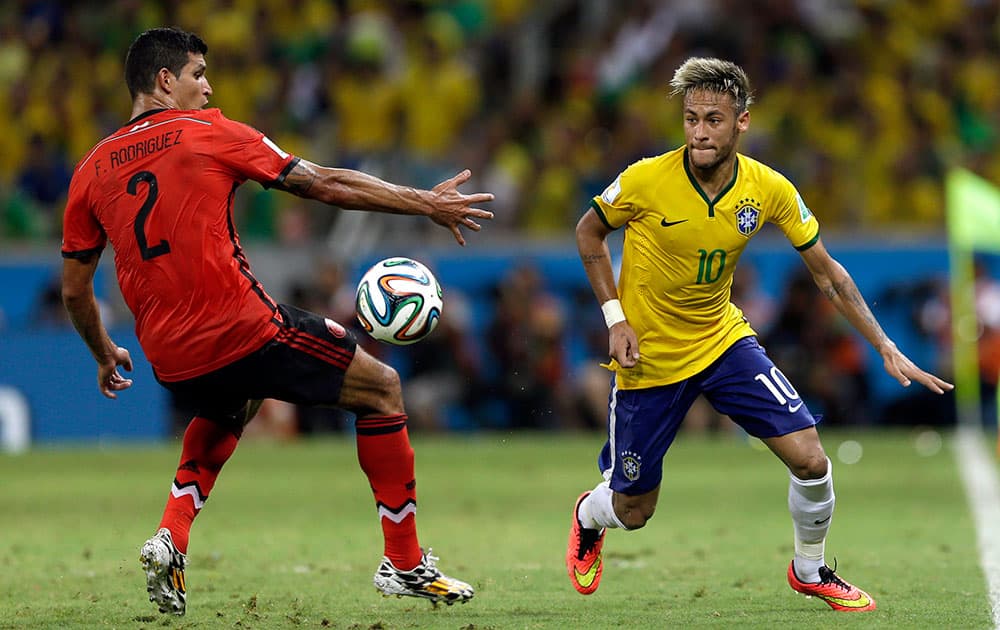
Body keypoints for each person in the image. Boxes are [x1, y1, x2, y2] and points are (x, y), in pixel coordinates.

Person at [60, 27, 493, 617]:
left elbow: (74, 289)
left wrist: (104, 351)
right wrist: (426, 203)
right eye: (198, 74)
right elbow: (324, 183)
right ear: (165, 81)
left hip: (167, 354)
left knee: (228, 406)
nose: (208, 88)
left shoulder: (90, 169)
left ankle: (171, 536)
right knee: (382, 389)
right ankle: (405, 562)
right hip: (242, 328)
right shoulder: (209, 132)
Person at [565, 57, 953, 612]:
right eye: (692, 118)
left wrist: (886, 345)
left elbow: (828, 273)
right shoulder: (646, 178)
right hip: (648, 358)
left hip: (723, 342)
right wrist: (614, 317)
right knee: (634, 511)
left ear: (741, 122)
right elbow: (589, 231)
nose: (700, 132)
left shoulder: (767, 188)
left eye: (714, 120)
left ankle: (810, 568)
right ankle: (588, 515)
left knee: (812, 460)